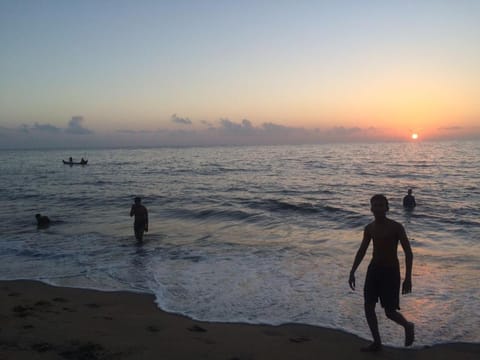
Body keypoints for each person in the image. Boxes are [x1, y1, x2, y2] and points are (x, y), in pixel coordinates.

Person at [349, 194, 414, 352]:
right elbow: (362, 250)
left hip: (390, 272)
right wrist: (352, 271)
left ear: (387, 208)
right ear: (371, 209)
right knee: (368, 306)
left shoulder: (396, 227)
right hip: (374, 270)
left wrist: (408, 278)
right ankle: (377, 342)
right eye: (375, 205)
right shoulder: (369, 228)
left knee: (390, 312)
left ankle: (407, 325)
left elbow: (408, 253)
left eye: (381, 205)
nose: (378, 208)